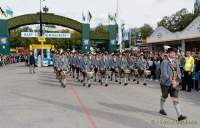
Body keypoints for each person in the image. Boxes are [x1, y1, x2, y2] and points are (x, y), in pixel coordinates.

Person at [159, 48, 187, 121]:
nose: (174, 54)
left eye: (174, 53)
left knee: (175, 98)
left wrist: (178, 81)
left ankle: (179, 115)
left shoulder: (176, 62)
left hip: (174, 83)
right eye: (172, 53)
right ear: (168, 54)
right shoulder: (164, 62)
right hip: (165, 83)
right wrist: (171, 81)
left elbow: (179, 73)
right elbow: (164, 74)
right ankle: (161, 109)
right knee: (164, 96)